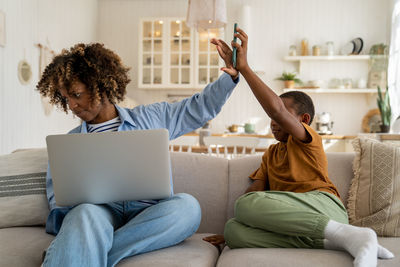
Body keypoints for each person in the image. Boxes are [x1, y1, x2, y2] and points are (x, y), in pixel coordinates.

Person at [36, 43, 239, 267]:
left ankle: (81, 252)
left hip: (149, 213)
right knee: (83, 214)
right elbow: (59, 200)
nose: (72, 105)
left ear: (100, 86)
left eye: (76, 95)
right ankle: (82, 243)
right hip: (100, 216)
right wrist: (77, 207)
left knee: (188, 207)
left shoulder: (151, 117)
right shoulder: (69, 143)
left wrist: (228, 78)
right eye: (66, 98)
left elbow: (199, 108)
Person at [204, 28, 394, 267]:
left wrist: (244, 68)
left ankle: (345, 233)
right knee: (234, 229)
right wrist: (251, 218)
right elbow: (255, 192)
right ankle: (345, 240)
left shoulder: (308, 140)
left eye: (282, 118)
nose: (274, 122)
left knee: (243, 207)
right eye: (276, 119)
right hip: (296, 221)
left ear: (303, 120)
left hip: (325, 207)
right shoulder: (271, 154)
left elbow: (276, 110)